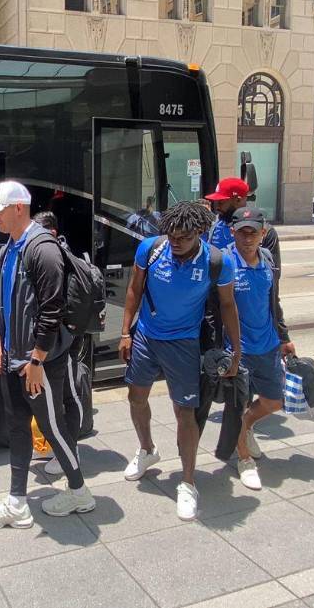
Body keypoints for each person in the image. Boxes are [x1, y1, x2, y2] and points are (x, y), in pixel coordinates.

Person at [0, 181, 94, 529]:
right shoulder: (11, 246)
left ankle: (79, 491)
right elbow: (8, 304)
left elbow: (51, 310)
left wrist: (38, 360)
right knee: (16, 428)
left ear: (18, 209)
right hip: (15, 357)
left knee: (51, 427)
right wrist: (0, 343)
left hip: (37, 362)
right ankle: (16, 502)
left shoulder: (42, 249)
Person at [118, 201, 242, 520]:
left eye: (184, 237)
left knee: (184, 411)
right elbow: (134, 289)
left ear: (200, 232)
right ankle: (147, 450)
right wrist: (125, 332)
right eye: (171, 235)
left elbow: (228, 306)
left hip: (184, 342)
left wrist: (236, 350)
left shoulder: (218, 262)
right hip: (146, 335)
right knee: (136, 396)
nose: (176, 242)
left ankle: (187, 483)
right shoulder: (151, 249)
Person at [226, 207, 294, 491]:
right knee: (238, 404)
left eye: (253, 231)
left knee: (274, 400)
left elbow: (273, 300)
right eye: (242, 231)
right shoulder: (223, 262)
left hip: (267, 344)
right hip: (237, 349)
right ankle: (244, 459)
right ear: (233, 232)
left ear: (263, 233)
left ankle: (245, 427)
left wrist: (283, 336)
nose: (247, 237)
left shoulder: (267, 259)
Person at [29, 211, 87, 477]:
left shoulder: (56, 253)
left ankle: (70, 451)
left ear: (51, 231)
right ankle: (63, 447)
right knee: (63, 394)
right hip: (62, 333)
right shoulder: (55, 250)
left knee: (69, 393)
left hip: (66, 336)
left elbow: (53, 304)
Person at [203, 177, 281, 269]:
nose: (217, 207)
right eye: (215, 202)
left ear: (238, 200)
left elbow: (273, 271)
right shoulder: (213, 226)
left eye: (221, 202)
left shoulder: (266, 232)